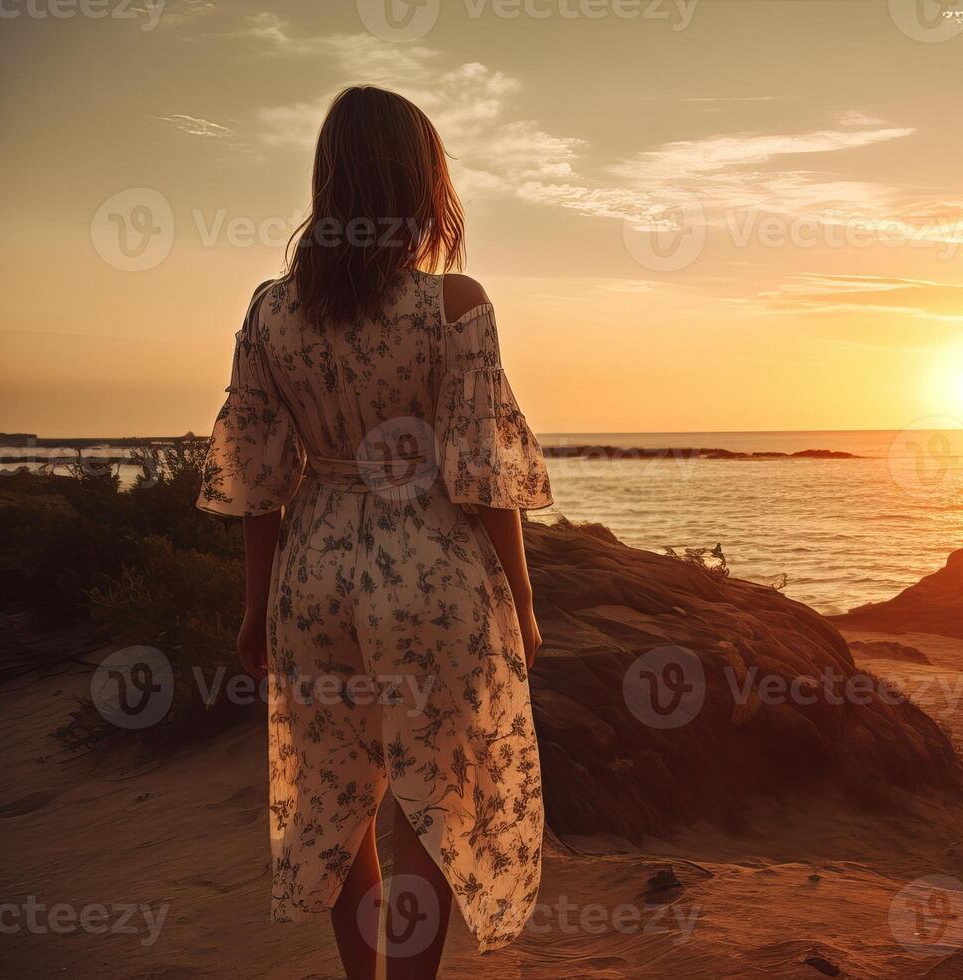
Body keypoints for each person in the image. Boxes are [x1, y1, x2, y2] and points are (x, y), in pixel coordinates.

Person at [197, 85, 550, 979]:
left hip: (312, 571)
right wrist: (521, 597)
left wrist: (253, 610)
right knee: (431, 796)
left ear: (329, 182)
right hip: (428, 569)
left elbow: (257, 478)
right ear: (419, 183)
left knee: (336, 793)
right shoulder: (453, 303)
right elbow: (483, 474)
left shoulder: (271, 310)